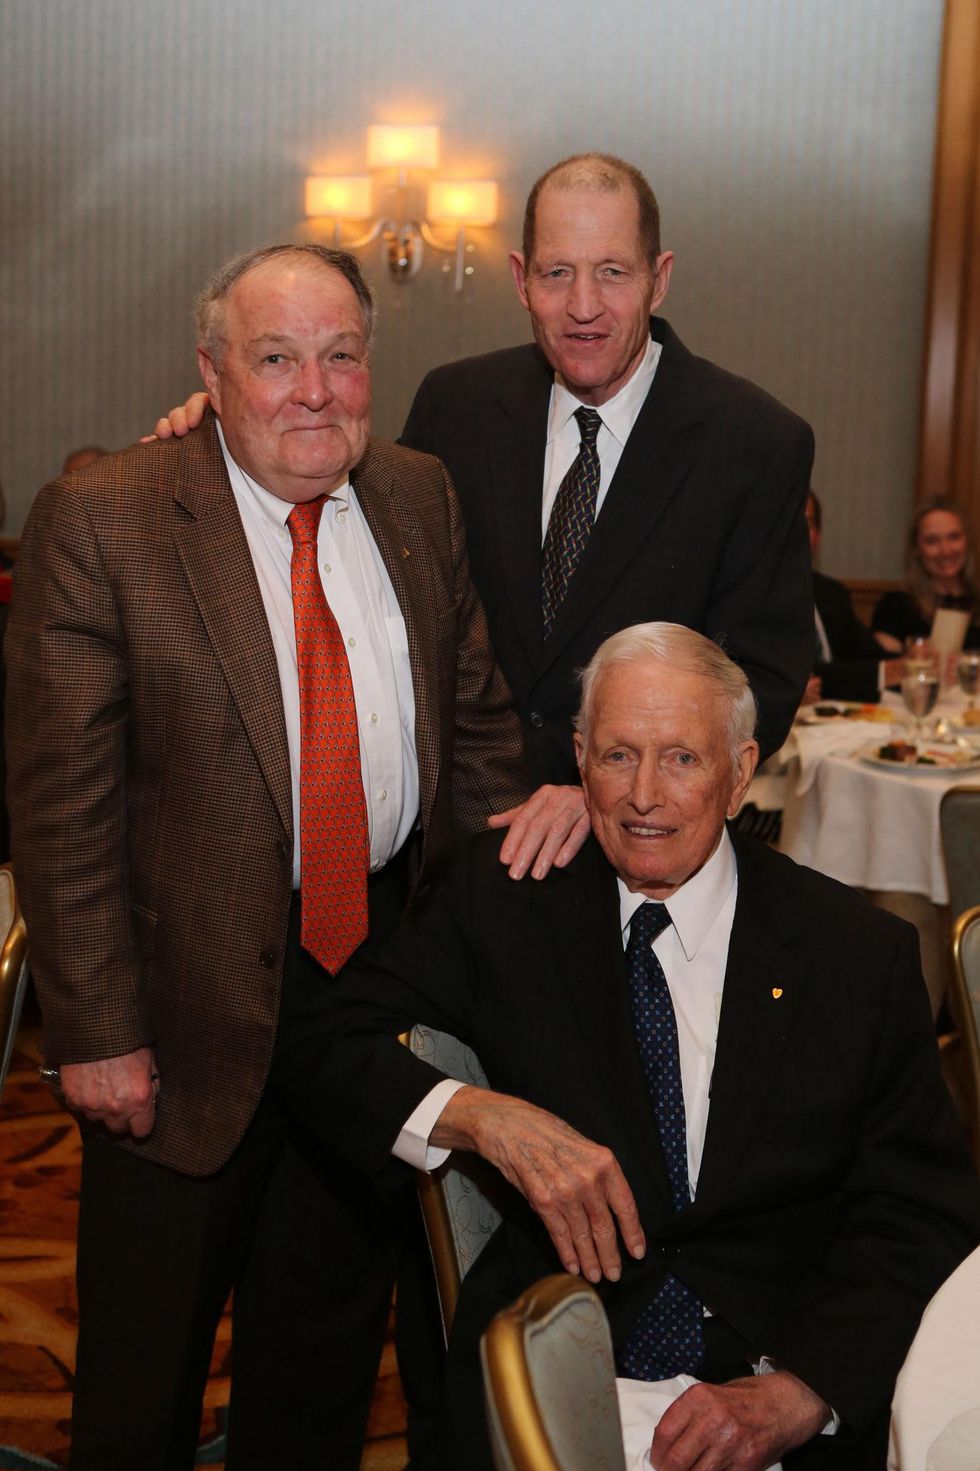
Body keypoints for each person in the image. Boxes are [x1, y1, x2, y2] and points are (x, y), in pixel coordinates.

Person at [4, 243, 584, 1471]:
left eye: (339, 356)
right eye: (275, 359)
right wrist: (95, 1029)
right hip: (176, 1015)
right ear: (211, 374)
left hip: (370, 1000)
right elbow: (64, 810)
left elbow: (472, 728)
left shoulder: (418, 496)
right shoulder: (107, 518)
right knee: (136, 1392)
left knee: (318, 1367)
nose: (313, 390)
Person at [279, 622, 980, 1470]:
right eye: (618, 755)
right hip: (555, 1365)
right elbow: (321, 1037)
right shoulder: (508, 900)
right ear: (578, 759)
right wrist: (481, 1116)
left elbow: (921, 1212)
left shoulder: (852, 954)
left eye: (682, 758)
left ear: (740, 774)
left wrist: (799, 1392)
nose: (644, 794)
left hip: (777, 1377)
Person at [153, 153, 815, 784]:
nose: (583, 305)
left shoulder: (754, 442)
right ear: (521, 278)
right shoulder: (457, 403)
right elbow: (362, 540)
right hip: (461, 841)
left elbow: (759, 687)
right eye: (557, 273)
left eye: (612, 272)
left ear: (659, 278)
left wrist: (602, 788)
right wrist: (235, 429)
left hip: (635, 844)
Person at [804, 489, 904, 703]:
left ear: (818, 535)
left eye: (807, 524)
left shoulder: (830, 592)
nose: (798, 534)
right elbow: (799, 675)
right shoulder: (750, 596)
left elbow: (867, 652)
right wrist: (883, 672)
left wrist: (911, 662)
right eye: (789, 524)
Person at [872, 497, 980, 650]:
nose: (946, 550)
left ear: (967, 542)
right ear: (916, 549)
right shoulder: (896, 606)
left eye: (954, 537)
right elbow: (888, 668)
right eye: (932, 541)